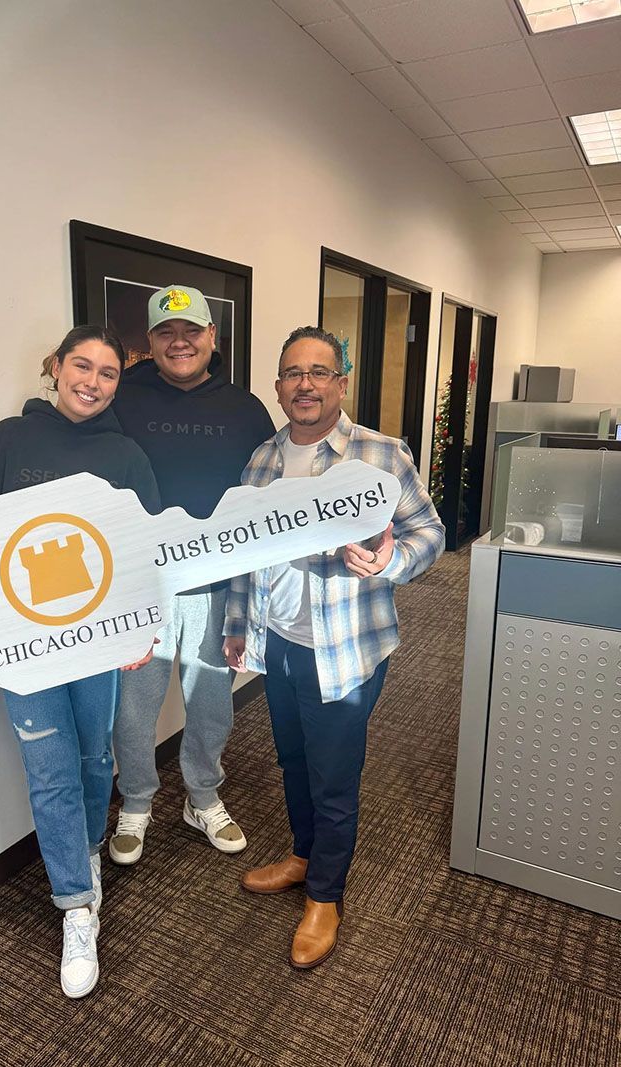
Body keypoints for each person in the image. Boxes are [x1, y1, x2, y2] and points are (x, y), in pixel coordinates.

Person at [0, 325, 160, 998]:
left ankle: (84, 855)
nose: (92, 380)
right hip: (24, 645)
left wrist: (143, 624)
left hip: (96, 641)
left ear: (119, 382)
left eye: (108, 372)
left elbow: (146, 550)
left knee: (95, 757)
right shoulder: (10, 439)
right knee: (49, 765)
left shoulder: (125, 454)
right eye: (81, 365)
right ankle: (76, 905)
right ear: (55, 367)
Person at [222, 325, 444, 970]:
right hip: (280, 642)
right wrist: (238, 624)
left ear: (341, 382)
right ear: (279, 386)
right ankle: (302, 854)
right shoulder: (261, 462)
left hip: (345, 648)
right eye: (294, 373)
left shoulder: (379, 455)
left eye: (319, 372)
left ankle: (326, 894)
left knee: (334, 775)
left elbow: (429, 532)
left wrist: (388, 559)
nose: (306, 385)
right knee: (293, 761)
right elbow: (242, 553)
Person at [109, 285, 275, 863]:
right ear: (150, 342)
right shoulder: (121, 398)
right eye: (165, 332)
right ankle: (135, 802)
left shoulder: (244, 408)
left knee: (211, 700)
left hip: (215, 581)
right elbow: (76, 443)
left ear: (212, 337)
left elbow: (265, 496)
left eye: (191, 331)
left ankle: (202, 794)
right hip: (140, 584)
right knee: (133, 705)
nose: (179, 342)